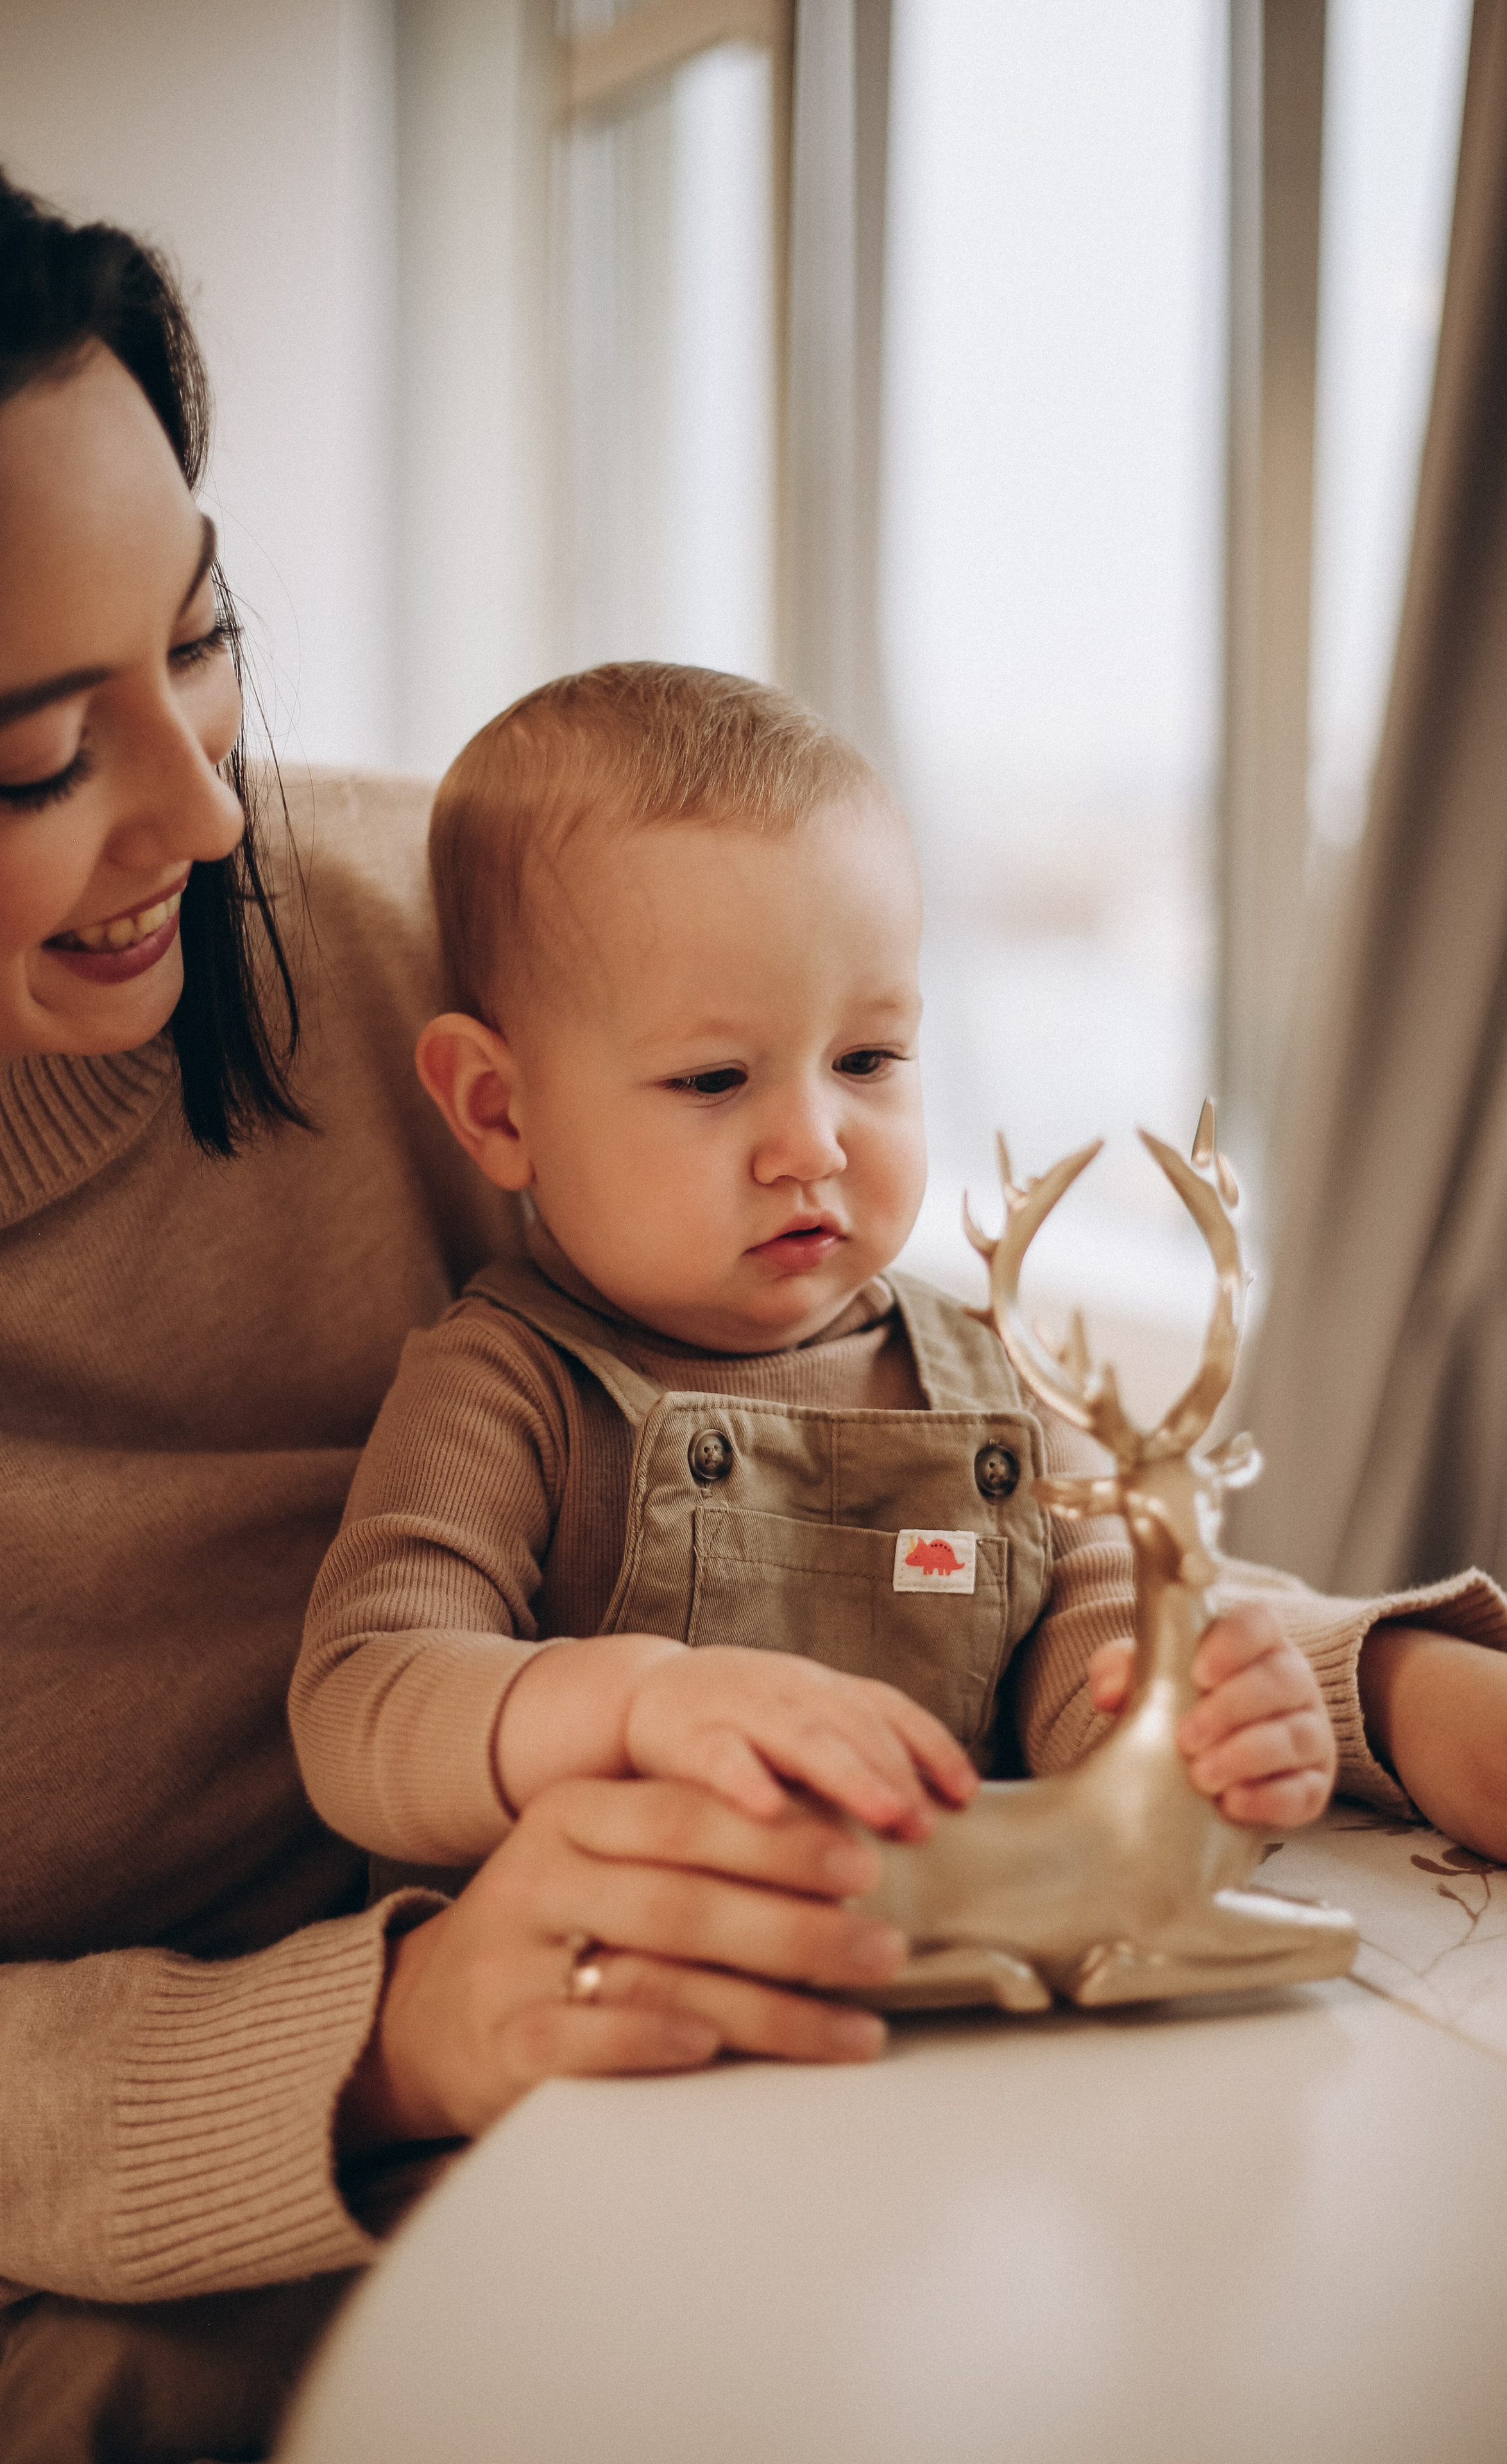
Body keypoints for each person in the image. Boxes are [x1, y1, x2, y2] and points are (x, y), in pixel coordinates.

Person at [0, 175, 914, 2464]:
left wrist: (1360, 1678)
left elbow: (896, 1414)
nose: (201, 812)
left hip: (661, 2103)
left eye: (203, 642)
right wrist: (388, 2034)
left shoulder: (423, 934)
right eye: (32, 756)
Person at [285, 665, 1507, 1940]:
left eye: (866, 1057)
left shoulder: (996, 1382)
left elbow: (1089, 1641)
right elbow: (362, 1705)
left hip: (956, 2007)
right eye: (711, 1080)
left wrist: (1190, 1734)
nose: (810, 1141)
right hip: (632, 2046)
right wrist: (636, 1703)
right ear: (496, 1108)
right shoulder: (505, 1389)